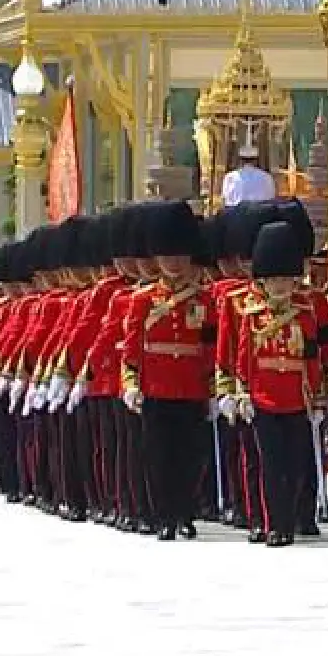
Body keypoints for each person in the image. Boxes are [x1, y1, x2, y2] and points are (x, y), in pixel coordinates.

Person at [120, 200, 215, 542]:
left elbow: (210, 346)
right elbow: (132, 345)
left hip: (191, 386)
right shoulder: (144, 300)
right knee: (158, 455)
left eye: (179, 255)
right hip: (155, 386)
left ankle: (186, 512)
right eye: (167, 255)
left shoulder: (204, 300)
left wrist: (215, 386)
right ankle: (163, 515)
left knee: (191, 455)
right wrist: (130, 381)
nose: (174, 262)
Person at [232, 220, 325, 547]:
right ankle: (276, 524)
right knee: (271, 466)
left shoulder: (304, 316)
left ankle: (294, 516)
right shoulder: (252, 316)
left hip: (296, 398)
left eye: (286, 278)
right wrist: (241, 391)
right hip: (264, 397)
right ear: (264, 282)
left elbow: (311, 359)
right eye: (274, 280)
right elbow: (244, 356)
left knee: (296, 464)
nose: (281, 286)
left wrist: (318, 396)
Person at [221, 141, 278, 207]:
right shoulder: (267, 177)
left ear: (240, 160)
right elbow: (271, 199)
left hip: (235, 215)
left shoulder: (229, 177)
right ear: (256, 160)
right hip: (259, 214)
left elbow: (224, 200)